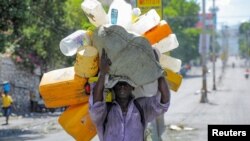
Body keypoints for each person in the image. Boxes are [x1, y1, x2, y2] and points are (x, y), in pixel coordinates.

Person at [89, 49, 171, 141]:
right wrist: (103, 73)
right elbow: (96, 104)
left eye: (126, 83)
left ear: (132, 87)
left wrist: (157, 67)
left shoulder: (142, 107)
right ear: (113, 87)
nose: (122, 86)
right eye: (119, 83)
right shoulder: (106, 111)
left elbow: (164, 101)